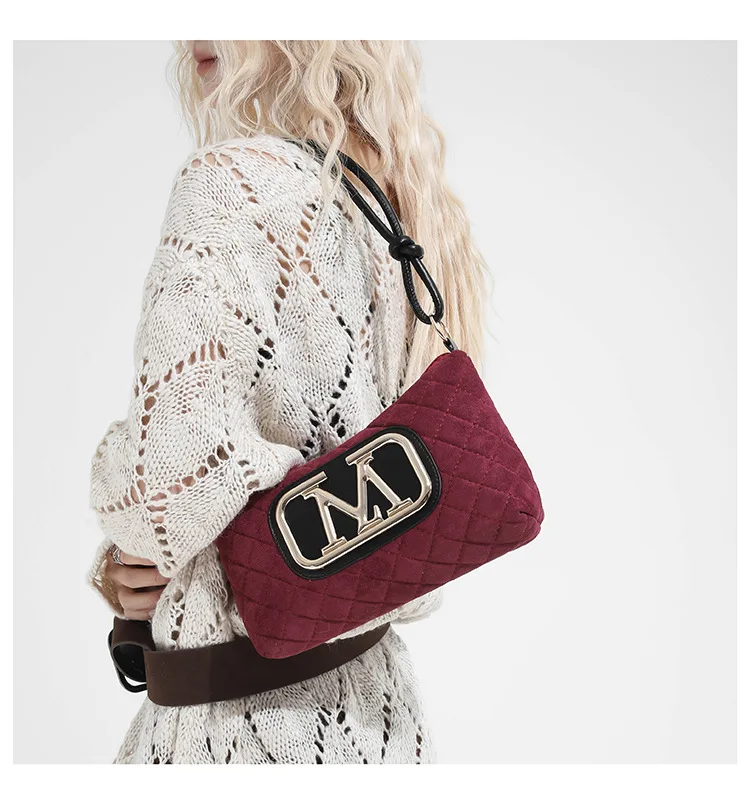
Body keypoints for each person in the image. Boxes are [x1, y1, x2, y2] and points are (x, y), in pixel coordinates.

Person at [87, 39, 489, 764]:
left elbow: (161, 495)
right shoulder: (394, 207)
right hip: (382, 723)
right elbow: (423, 528)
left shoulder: (227, 184)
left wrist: (122, 539)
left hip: (237, 732)